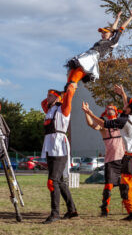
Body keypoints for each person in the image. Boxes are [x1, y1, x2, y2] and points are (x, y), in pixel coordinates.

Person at [82, 84, 132, 221]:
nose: (124, 106)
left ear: (129, 109)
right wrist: (123, 94)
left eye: (126, 105)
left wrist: (90, 113)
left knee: (125, 184)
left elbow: (104, 124)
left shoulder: (124, 121)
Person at [65, 11, 132, 87]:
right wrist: (117, 18)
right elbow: (113, 28)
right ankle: (69, 87)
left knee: (76, 75)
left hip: (93, 56)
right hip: (88, 54)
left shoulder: (112, 42)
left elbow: (121, 29)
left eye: (105, 33)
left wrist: (131, 17)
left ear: (111, 34)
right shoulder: (105, 40)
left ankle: (73, 84)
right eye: (102, 33)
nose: (103, 34)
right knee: (71, 72)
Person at [41, 83, 79, 224]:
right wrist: (55, 95)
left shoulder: (63, 108)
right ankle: (72, 210)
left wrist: (67, 90)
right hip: (50, 147)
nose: (47, 98)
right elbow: (43, 102)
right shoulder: (49, 109)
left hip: (59, 147)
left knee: (52, 181)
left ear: (57, 98)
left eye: (50, 95)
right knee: (60, 181)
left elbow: (68, 98)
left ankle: (55, 214)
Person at [82, 103, 125, 217]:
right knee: (108, 185)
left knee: (125, 185)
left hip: (123, 159)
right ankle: (104, 208)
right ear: (105, 113)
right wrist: (87, 112)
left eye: (112, 108)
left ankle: (128, 206)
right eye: (108, 108)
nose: (109, 109)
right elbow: (91, 124)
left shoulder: (122, 123)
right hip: (110, 160)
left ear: (116, 112)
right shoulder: (104, 126)